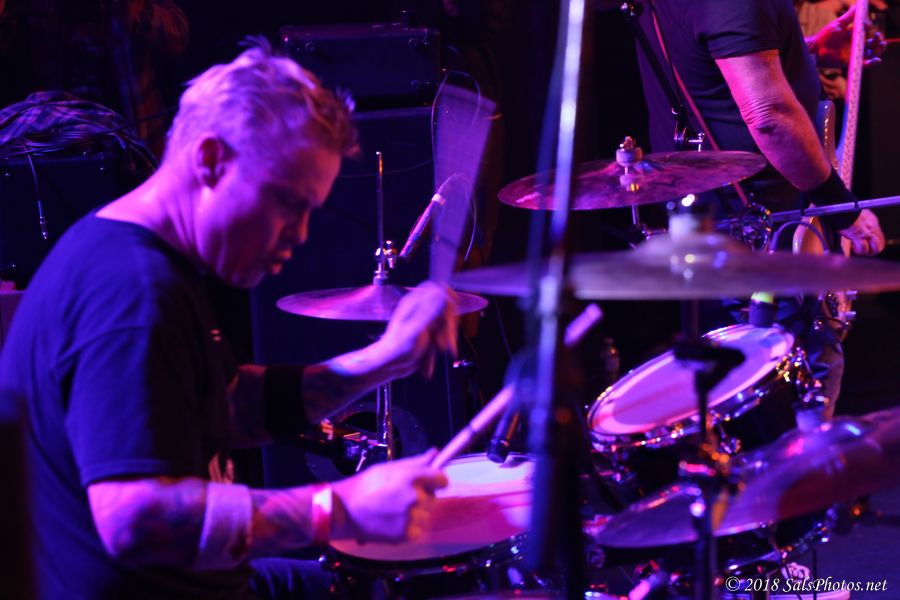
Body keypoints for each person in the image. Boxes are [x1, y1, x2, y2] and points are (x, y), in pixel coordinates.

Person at [0, 40, 458, 599]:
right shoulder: (130, 292)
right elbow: (136, 521)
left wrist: (383, 359)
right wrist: (338, 507)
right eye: (287, 203)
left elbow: (227, 403)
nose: (300, 234)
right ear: (212, 161)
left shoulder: (146, 258)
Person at [634, 0, 886, 406]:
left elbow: (714, 64)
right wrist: (842, 209)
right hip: (764, 225)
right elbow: (768, 115)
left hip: (720, 218)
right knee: (796, 387)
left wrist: (805, 50)